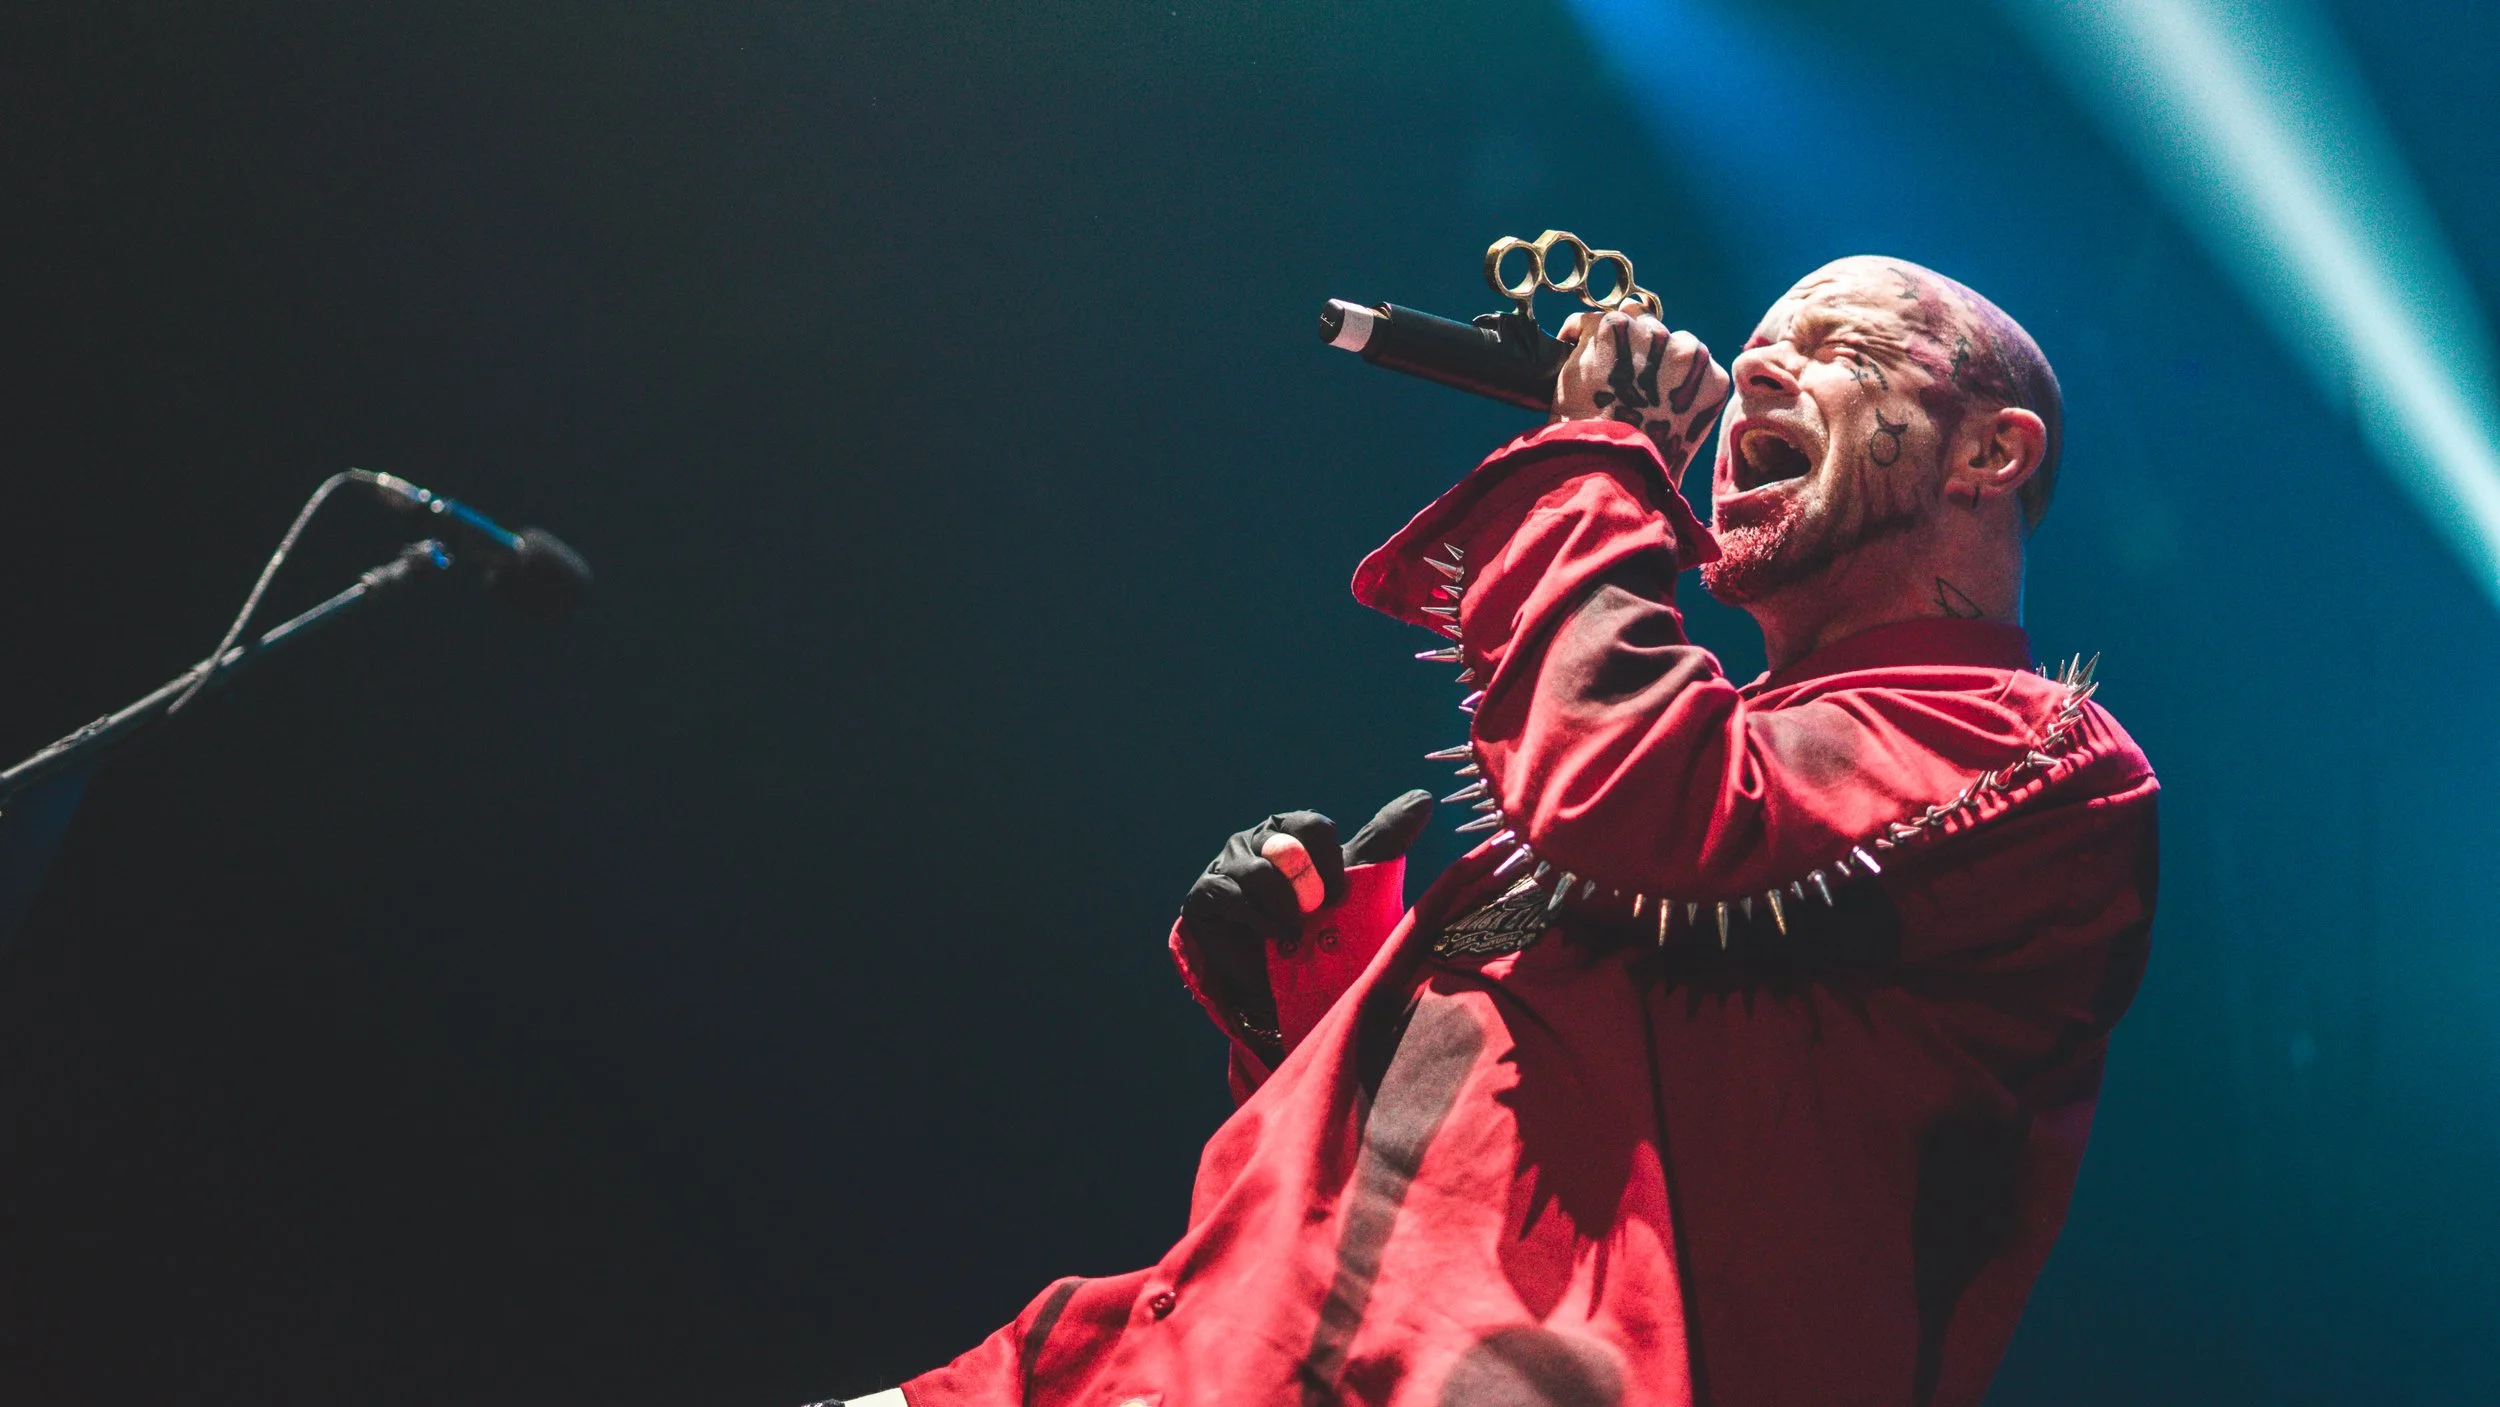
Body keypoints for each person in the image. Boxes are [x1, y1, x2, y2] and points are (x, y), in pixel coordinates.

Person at [852, 257, 2158, 1407]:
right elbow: (1542, 1123)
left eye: (1842, 349)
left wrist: (1593, 458)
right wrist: (1314, 990)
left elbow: (1637, 795)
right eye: (1768, 336)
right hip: (1191, 1350)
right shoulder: (1736, 746)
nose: (1760, 359)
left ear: (1994, 452)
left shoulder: (2033, 752)